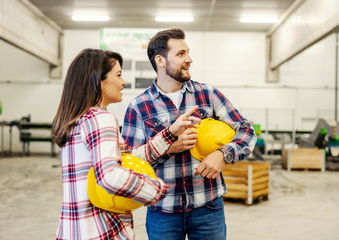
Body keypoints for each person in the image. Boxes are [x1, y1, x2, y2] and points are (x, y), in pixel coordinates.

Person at [122, 28, 257, 240]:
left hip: (208, 208)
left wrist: (223, 154)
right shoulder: (139, 106)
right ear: (160, 60)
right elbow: (129, 162)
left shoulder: (208, 95)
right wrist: (169, 148)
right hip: (162, 211)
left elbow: (246, 131)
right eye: (181, 54)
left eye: (188, 52)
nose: (189, 59)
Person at [51, 48, 200, 240]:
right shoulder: (101, 119)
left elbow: (125, 159)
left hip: (75, 230)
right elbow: (110, 175)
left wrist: (170, 134)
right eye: (119, 75)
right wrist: (156, 189)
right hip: (102, 230)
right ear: (98, 80)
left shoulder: (77, 121)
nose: (124, 82)